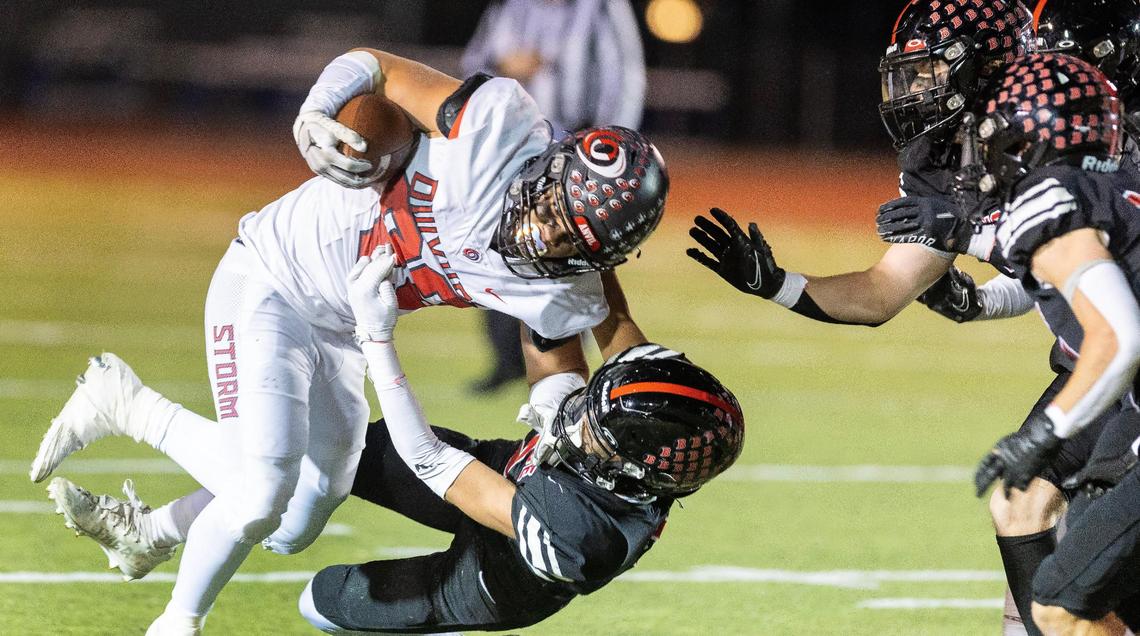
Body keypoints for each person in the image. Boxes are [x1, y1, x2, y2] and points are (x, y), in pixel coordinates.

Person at [30, 46, 668, 635]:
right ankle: (138, 440)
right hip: (270, 277)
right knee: (260, 491)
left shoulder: (564, 284)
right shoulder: (494, 128)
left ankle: (150, 530)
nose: (548, 239)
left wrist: (559, 414)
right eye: (557, 213)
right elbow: (374, 66)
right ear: (552, 166)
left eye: (574, 243)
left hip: (340, 327)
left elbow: (554, 352)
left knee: (292, 524)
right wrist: (317, 109)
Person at [685, 1, 1059, 633]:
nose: (914, 91)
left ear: (991, 69)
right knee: (1036, 532)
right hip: (1096, 358)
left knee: (1041, 521)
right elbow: (884, 291)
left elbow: (1091, 248)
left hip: (1116, 359)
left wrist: (969, 234)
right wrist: (777, 285)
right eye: (909, 73)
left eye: (931, 72)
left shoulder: (1070, 125)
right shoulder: (947, 151)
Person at [39, 337, 743, 632]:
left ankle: (134, 416)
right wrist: (559, 262)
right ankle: (152, 533)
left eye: (596, 429)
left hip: (490, 574)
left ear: (626, 468)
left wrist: (380, 346)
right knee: (323, 459)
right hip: (504, 476)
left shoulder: (581, 531)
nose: (581, 420)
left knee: (321, 601)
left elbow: (430, 459)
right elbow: (563, 329)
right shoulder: (644, 450)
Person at [953, 51, 1140, 634]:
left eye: (999, 133)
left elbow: (1117, 337)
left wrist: (1043, 433)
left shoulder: (1052, 195)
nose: (987, 151)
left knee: (1062, 603)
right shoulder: (1122, 190)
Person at [460, 0, 647, 393]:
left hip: (576, 148)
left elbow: (625, 71)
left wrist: (618, 148)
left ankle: (571, 363)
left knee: (572, 255)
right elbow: (471, 66)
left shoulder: (600, 8)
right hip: (513, 147)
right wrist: (503, 65)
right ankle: (506, 359)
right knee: (502, 243)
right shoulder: (509, 9)